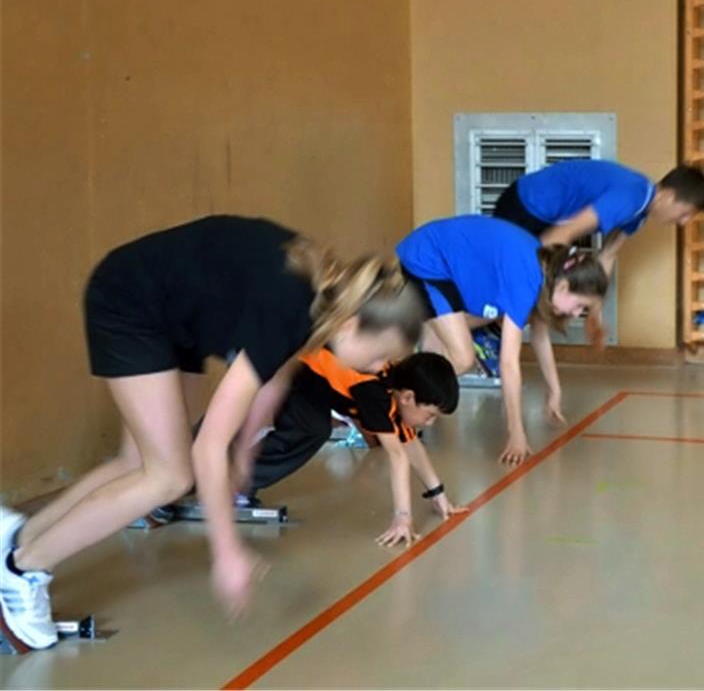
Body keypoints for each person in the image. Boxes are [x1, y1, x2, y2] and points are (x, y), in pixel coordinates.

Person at [0, 215, 425, 650]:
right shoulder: (288, 308)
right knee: (169, 477)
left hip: (171, 317)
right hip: (130, 302)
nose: (380, 369)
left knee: (138, 463)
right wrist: (227, 552)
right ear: (351, 326)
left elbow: (273, 377)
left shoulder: (321, 296)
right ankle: (22, 569)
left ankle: (18, 538)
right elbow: (208, 449)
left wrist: (244, 455)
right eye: (381, 356)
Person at [395, 215, 608, 466]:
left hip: (444, 264)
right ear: (562, 286)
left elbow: (540, 334)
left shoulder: (543, 271)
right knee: (462, 359)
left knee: (477, 328)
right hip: (426, 259)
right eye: (580, 306)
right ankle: (395, 396)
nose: (576, 314)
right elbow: (508, 363)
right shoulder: (527, 280)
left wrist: (555, 391)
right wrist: (516, 433)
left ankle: (419, 353)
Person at [242, 350, 465, 547]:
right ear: (408, 397)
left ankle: (238, 476)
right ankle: (235, 480)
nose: (429, 423)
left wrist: (438, 494)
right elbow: (397, 455)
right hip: (298, 371)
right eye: (430, 415)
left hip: (313, 384)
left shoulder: (396, 389)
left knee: (314, 429)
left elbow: (411, 445)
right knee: (309, 430)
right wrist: (403, 518)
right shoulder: (375, 392)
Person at [492, 160, 704, 276]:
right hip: (524, 206)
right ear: (668, 196)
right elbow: (560, 235)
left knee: (533, 284)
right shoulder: (631, 198)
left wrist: (595, 313)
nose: (684, 222)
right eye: (685, 213)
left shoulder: (640, 210)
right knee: (518, 280)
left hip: (544, 217)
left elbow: (608, 255)